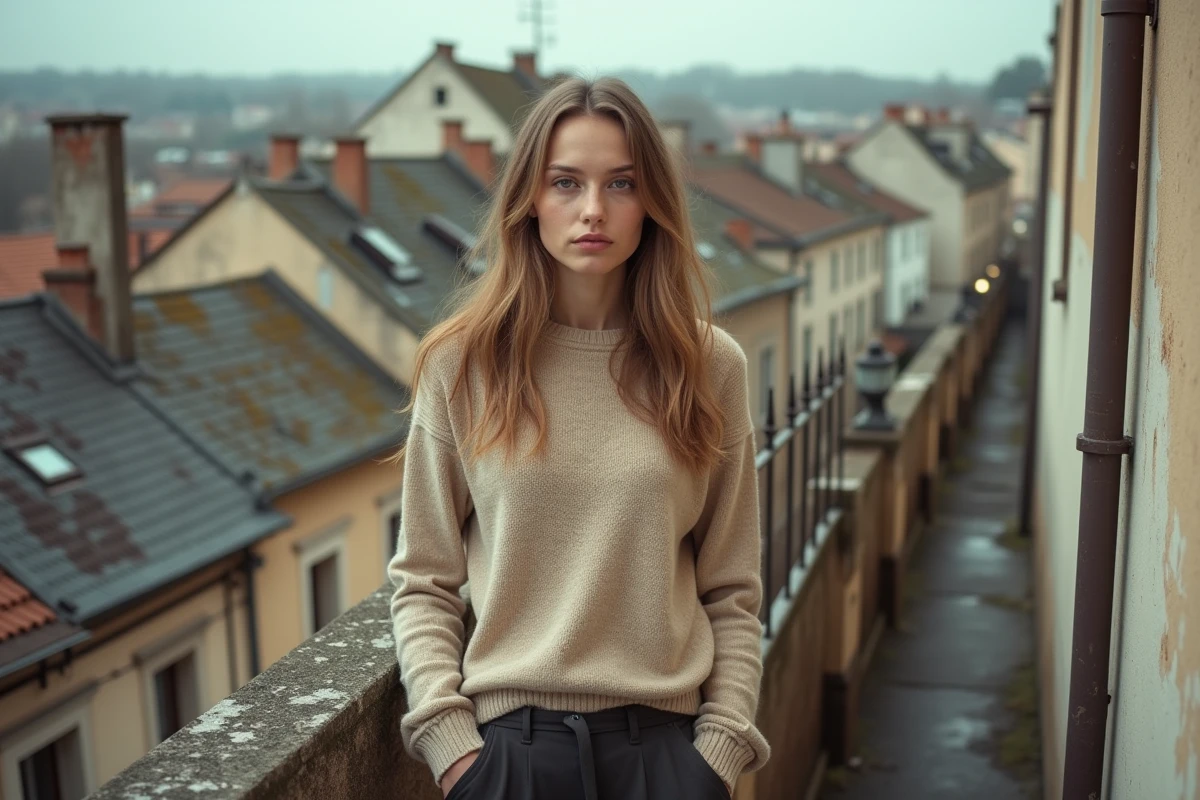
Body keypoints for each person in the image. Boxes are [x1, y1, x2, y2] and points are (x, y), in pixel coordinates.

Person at [386, 75, 769, 800]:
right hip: (511, 758)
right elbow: (423, 580)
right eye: (566, 182)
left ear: (652, 199)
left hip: (666, 754)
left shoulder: (708, 366)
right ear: (529, 198)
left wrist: (716, 755)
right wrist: (455, 752)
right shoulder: (462, 365)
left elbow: (732, 589)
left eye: (621, 183)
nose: (593, 209)